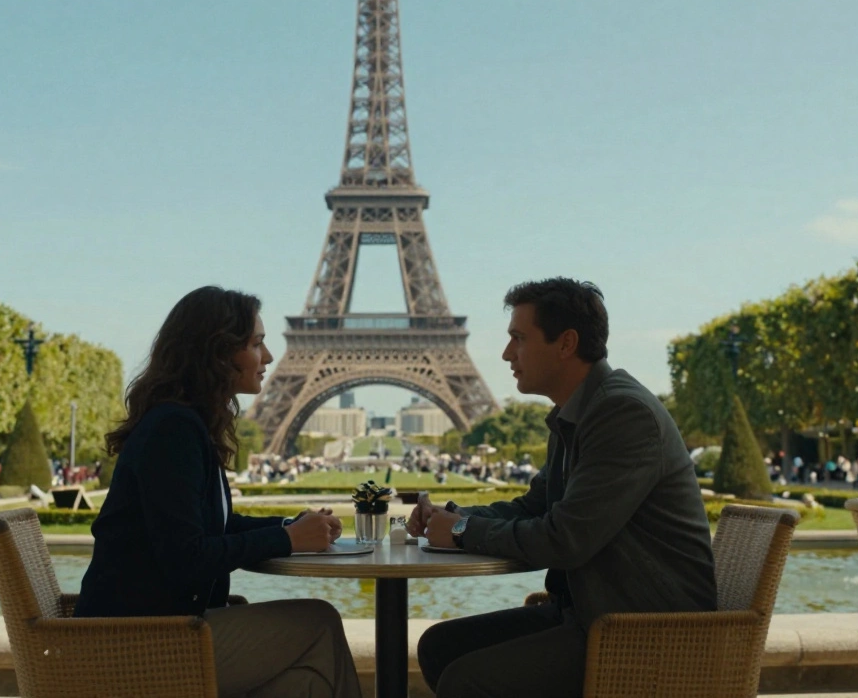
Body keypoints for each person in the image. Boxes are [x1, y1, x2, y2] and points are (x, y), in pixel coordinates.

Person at [407, 278, 717, 698]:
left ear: (566, 343)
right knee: (440, 647)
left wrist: (462, 532)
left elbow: (565, 539)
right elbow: (534, 507)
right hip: (596, 611)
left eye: (519, 338)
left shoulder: (622, 412)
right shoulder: (578, 411)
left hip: (645, 630)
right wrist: (455, 517)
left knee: (468, 679)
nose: (506, 353)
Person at [74, 286, 362, 698]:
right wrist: (287, 539)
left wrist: (290, 526)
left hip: (159, 624)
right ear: (220, 351)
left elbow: (214, 526)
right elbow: (186, 556)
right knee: (320, 622)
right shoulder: (173, 430)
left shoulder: (182, 424)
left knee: (307, 685)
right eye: (257, 344)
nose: (268, 357)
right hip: (137, 642)